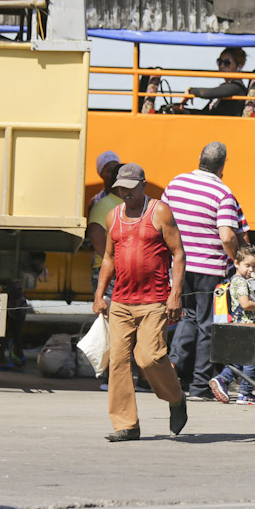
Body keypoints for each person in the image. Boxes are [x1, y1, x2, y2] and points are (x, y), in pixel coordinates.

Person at [93, 163, 188, 441]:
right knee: (119, 362)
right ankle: (127, 425)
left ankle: (175, 397)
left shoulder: (159, 211)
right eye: (121, 188)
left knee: (149, 358)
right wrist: (100, 294)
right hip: (121, 301)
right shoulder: (113, 217)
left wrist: (176, 294)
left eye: (131, 188)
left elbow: (178, 253)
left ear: (143, 185)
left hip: (153, 301)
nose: (126, 193)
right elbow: (109, 258)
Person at [161, 142, 243, 401]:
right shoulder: (222, 193)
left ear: (200, 159)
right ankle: (199, 386)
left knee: (188, 318)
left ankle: (172, 367)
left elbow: (161, 219)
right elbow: (228, 236)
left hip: (181, 265)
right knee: (208, 325)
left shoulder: (176, 184)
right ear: (223, 165)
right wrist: (235, 260)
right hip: (210, 269)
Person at [208, 244, 255, 406]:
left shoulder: (238, 280)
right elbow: (245, 304)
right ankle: (245, 393)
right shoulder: (240, 282)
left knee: (238, 360)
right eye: (247, 265)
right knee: (251, 361)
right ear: (236, 263)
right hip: (246, 326)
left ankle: (222, 380)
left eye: (254, 266)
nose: (251, 269)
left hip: (239, 326)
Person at [87, 151, 123, 298]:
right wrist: (113, 263)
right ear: (101, 173)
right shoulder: (97, 203)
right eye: (108, 170)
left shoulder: (128, 201)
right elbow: (95, 235)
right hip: (109, 265)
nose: (113, 174)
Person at [188, 48, 248, 116]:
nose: (221, 66)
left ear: (239, 66)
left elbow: (204, 93)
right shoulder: (225, 87)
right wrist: (183, 111)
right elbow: (205, 113)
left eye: (227, 63)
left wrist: (190, 91)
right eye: (219, 62)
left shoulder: (236, 87)